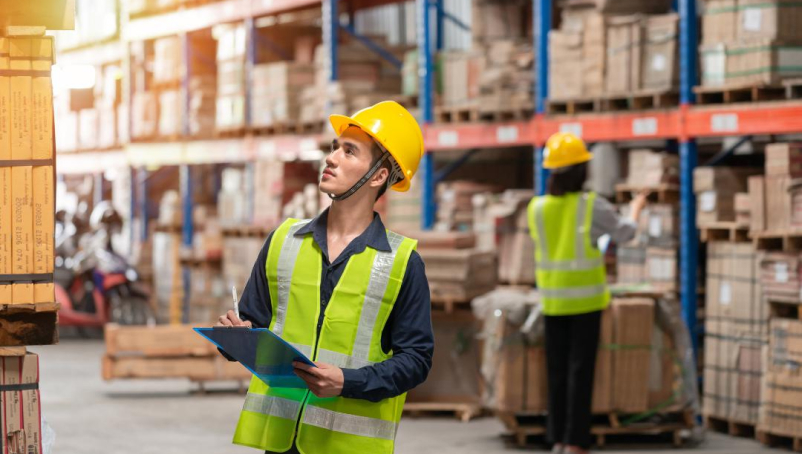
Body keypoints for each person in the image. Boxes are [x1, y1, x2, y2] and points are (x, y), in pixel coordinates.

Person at [216, 101, 434, 454]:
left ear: (378, 176)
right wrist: (236, 338)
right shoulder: (284, 241)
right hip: (281, 438)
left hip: (348, 444)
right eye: (335, 147)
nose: (331, 158)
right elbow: (253, 321)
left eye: (349, 152)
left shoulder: (403, 263)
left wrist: (349, 381)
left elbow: (416, 360)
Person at [528, 132, 648, 454]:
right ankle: (576, 441)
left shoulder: (536, 208)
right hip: (585, 304)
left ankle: (556, 439)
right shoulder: (591, 206)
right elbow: (626, 232)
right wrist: (636, 208)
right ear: (581, 171)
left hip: (552, 303)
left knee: (556, 374)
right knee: (580, 375)